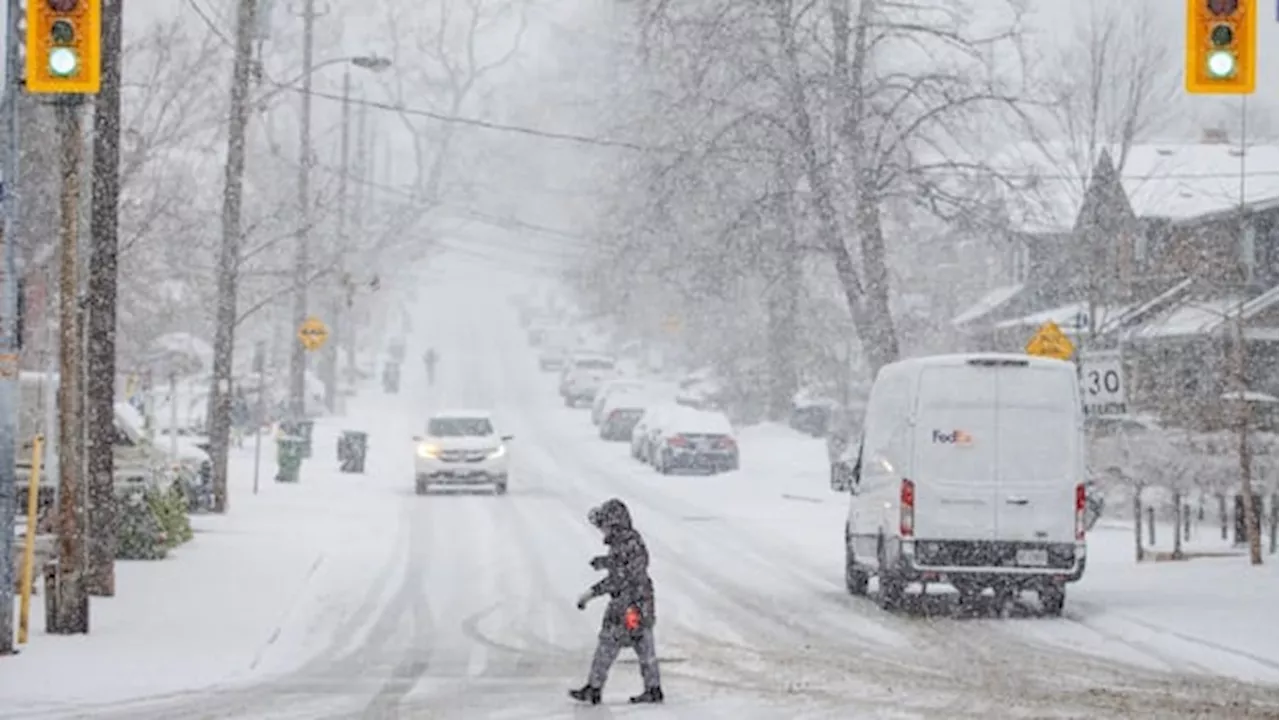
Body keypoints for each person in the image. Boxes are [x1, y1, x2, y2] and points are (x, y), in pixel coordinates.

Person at [569, 498, 663, 705]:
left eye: (603, 525)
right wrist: (605, 562)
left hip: (627, 605)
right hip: (641, 602)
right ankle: (653, 688)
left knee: (609, 642)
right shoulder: (629, 541)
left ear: (614, 524)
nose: (602, 530)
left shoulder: (624, 543)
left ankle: (594, 688)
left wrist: (592, 592)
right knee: (644, 644)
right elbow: (626, 566)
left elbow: (620, 576)